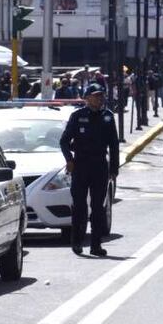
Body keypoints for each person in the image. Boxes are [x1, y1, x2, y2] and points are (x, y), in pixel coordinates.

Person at [59, 83, 119, 257]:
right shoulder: (77, 116)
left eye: (101, 96)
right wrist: (69, 160)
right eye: (95, 96)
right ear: (87, 98)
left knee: (98, 207)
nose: (99, 99)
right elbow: (64, 141)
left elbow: (114, 145)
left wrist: (114, 169)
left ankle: (96, 245)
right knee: (79, 206)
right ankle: (77, 242)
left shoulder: (107, 117)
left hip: (100, 165)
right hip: (81, 165)